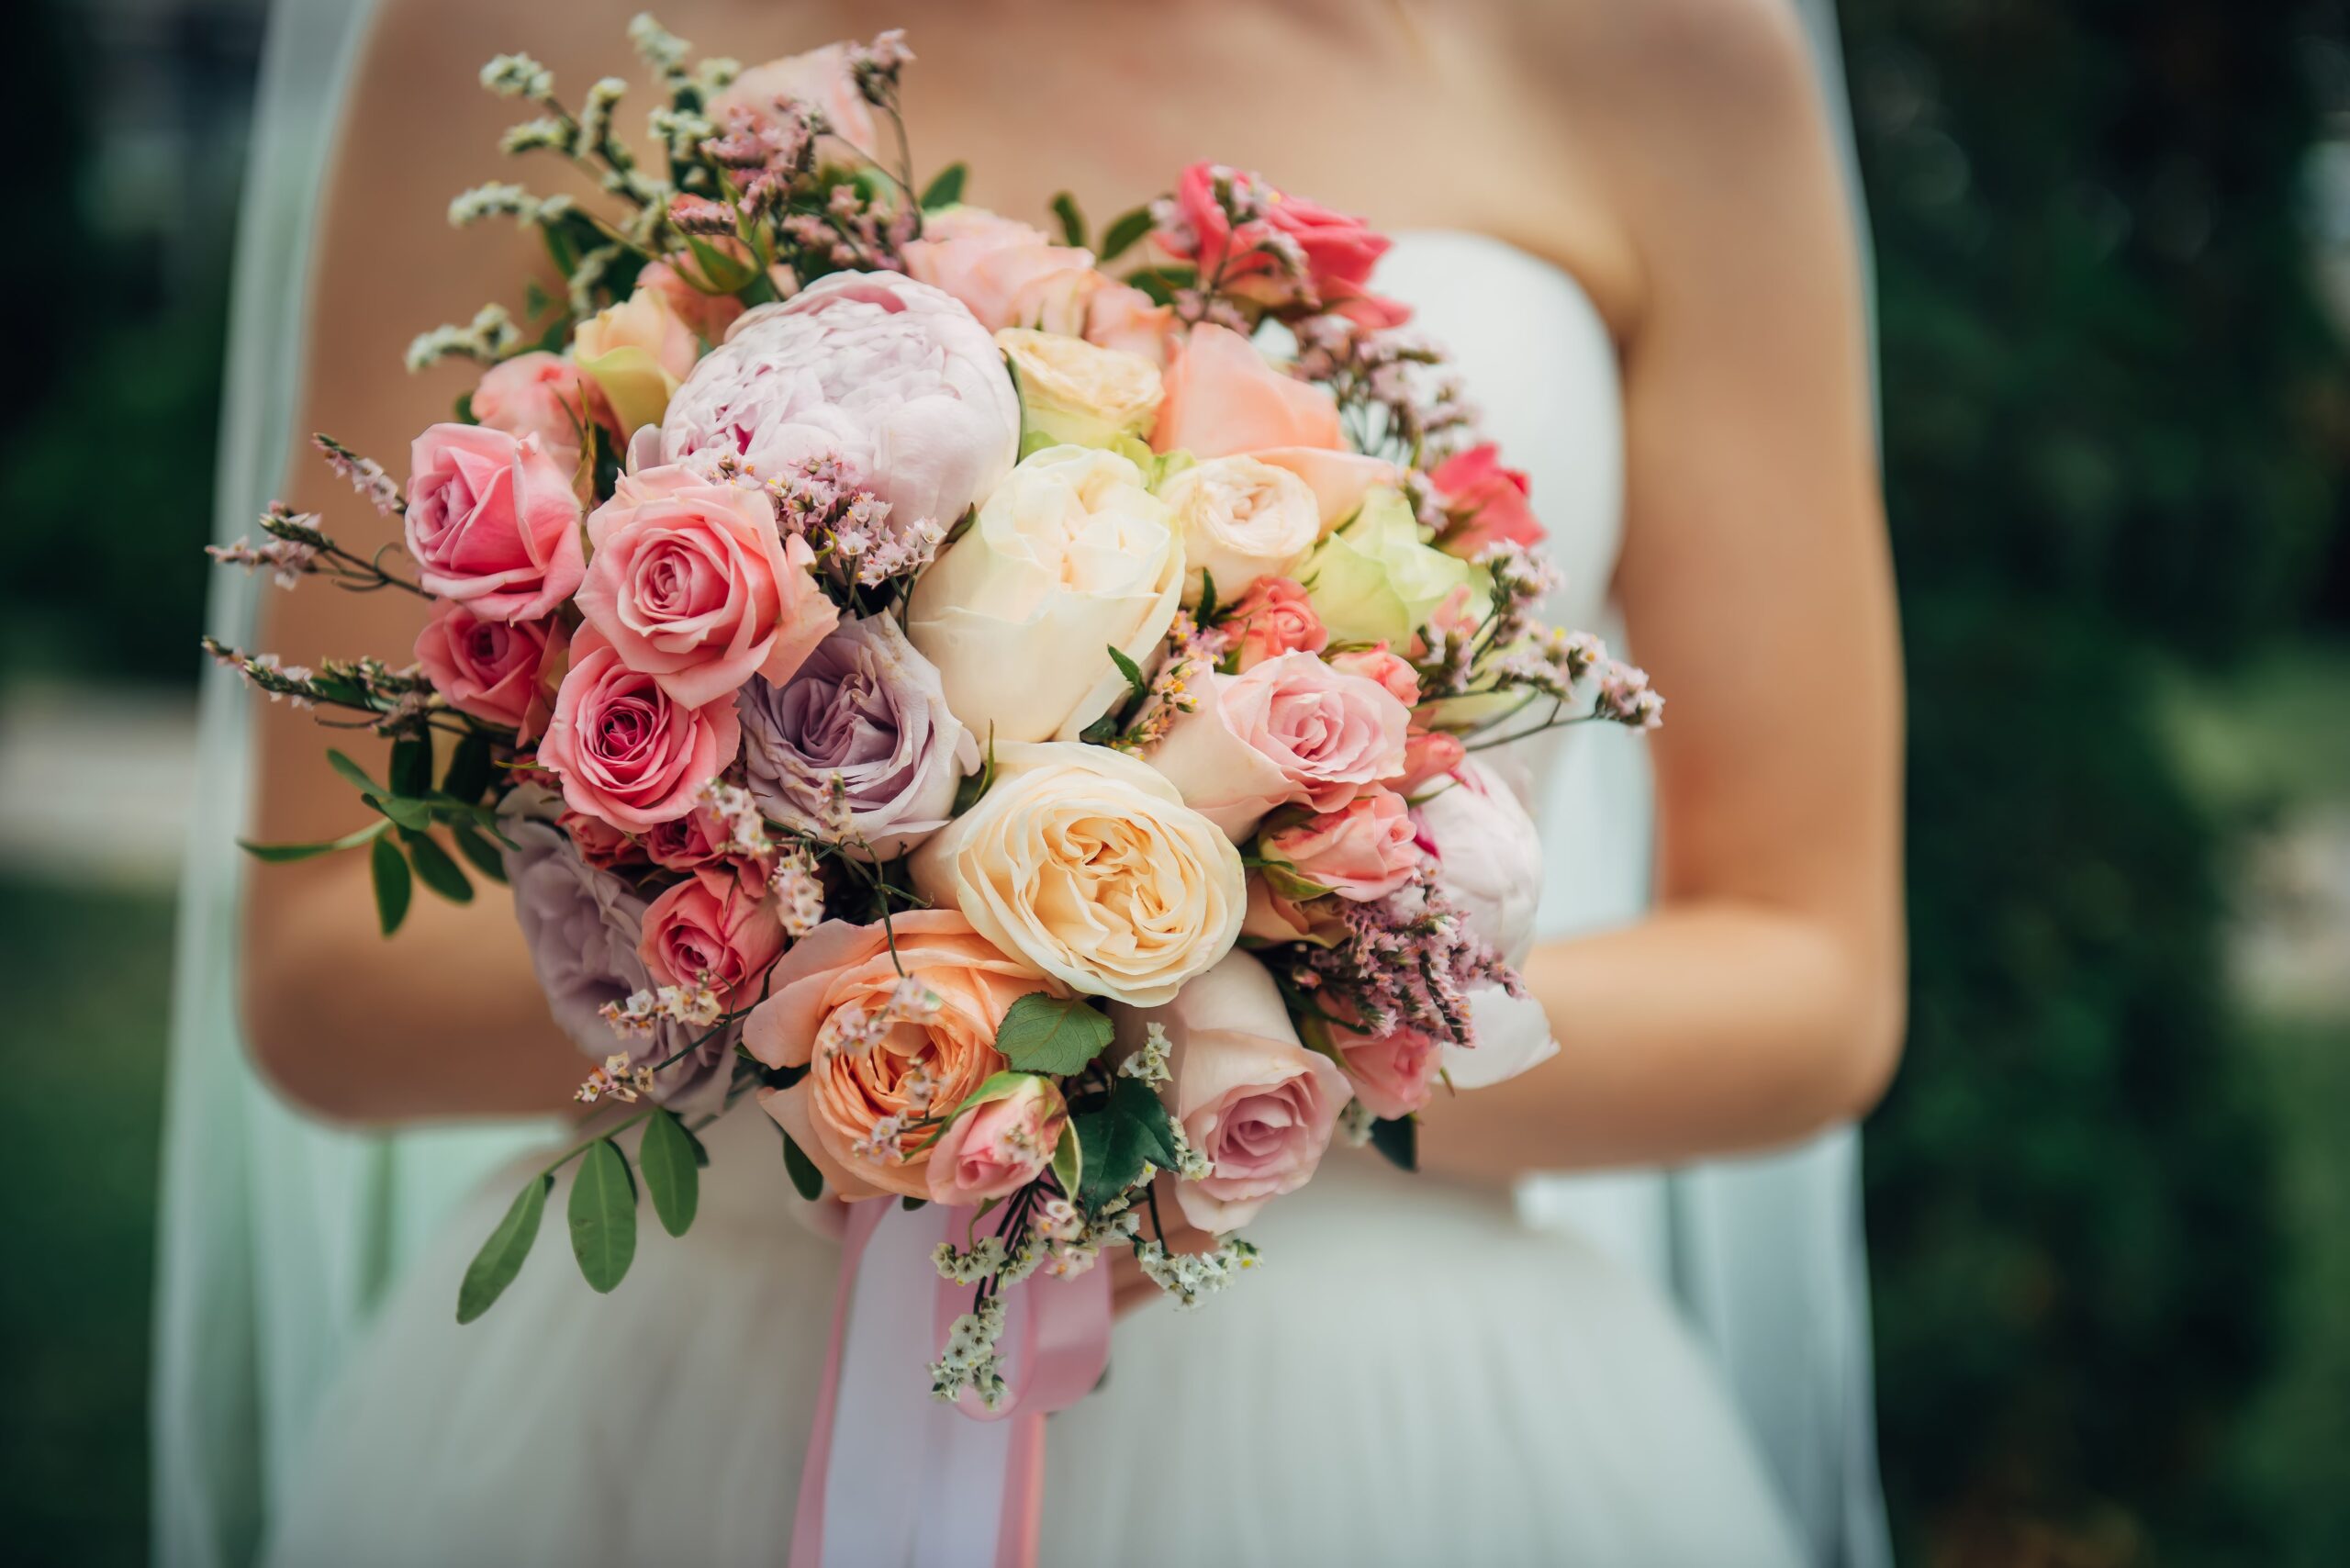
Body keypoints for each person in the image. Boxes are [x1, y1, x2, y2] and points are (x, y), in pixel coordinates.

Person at [162, 1, 1901, 1563]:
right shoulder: (507, 32)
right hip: (667, 1407)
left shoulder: (1669, 57)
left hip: (1384, 1435)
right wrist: (853, 998)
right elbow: (329, 972)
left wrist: (1212, 1041)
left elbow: (1807, 980)